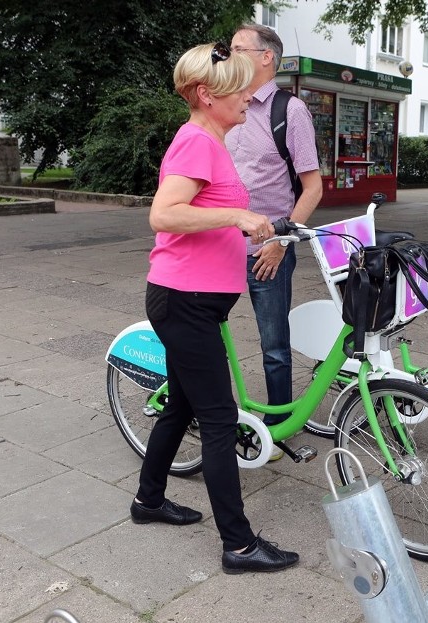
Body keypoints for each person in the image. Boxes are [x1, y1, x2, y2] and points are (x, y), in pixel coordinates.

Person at [129, 42, 299, 574]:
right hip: (186, 302)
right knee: (220, 419)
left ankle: (148, 501)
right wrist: (237, 217)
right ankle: (240, 545)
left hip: (193, 301)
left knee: (181, 405)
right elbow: (165, 214)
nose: (249, 98)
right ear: (206, 95)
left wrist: (248, 221)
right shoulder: (196, 142)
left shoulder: (212, 142)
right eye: (239, 90)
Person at [225, 23, 323, 431]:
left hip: (269, 250)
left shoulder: (290, 111)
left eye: (237, 48)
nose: (229, 56)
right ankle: (204, 412)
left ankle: (279, 426)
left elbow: (313, 188)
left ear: (267, 57)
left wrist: (282, 241)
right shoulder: (226, 104)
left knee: (274, 348)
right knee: (205, 337)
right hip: (221, 247)